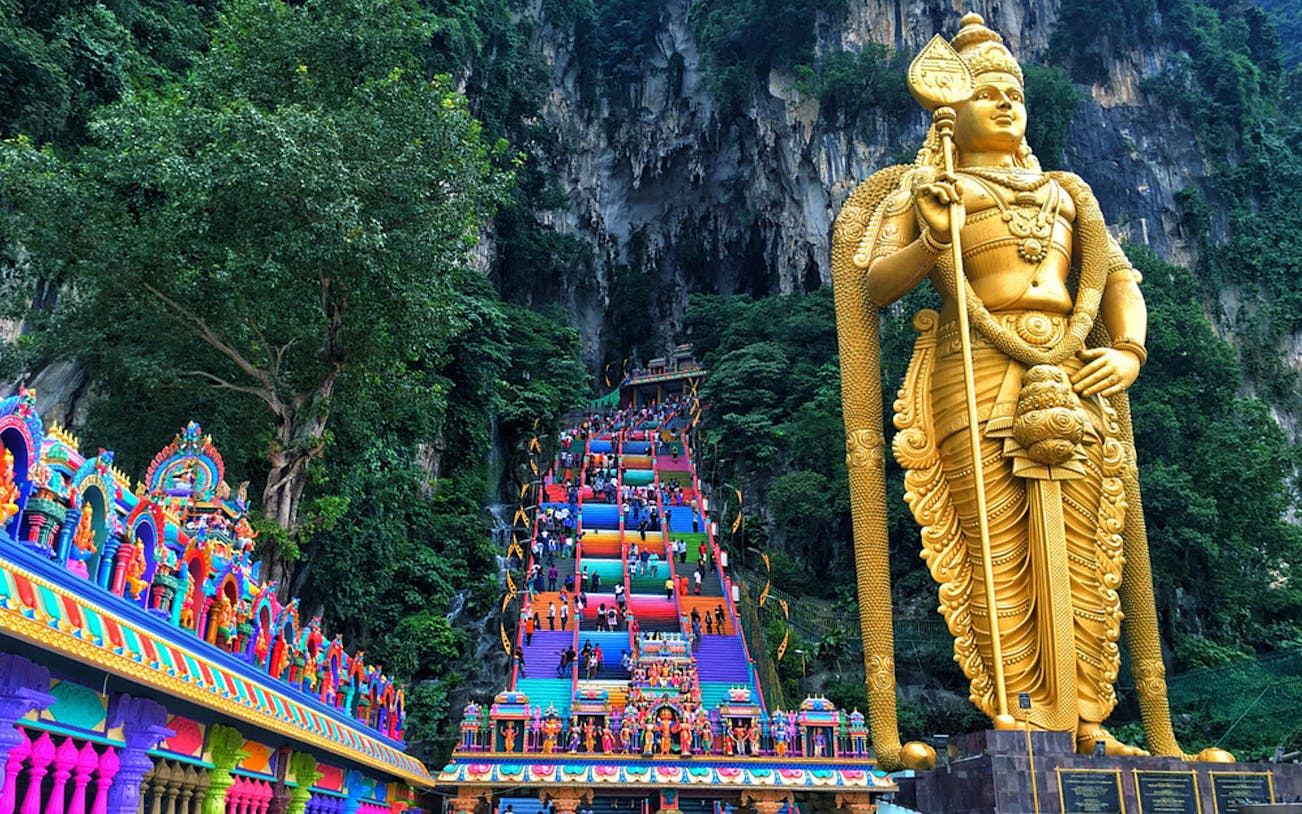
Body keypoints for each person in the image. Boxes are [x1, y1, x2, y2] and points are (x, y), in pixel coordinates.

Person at [833, 12, 1198, 760]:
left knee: (1088, 551)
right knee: (993, 550)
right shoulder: (930, 185)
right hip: (973, 373)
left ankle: (1091, 721)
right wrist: (934, 237)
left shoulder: (1067, 193)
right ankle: (1022, 710)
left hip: (1072, 372)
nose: (1005, 103)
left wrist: (1128, 348)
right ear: (950, 110)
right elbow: (871, 286)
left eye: (1014, 92)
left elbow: (1119, 277)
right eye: (987, 91)